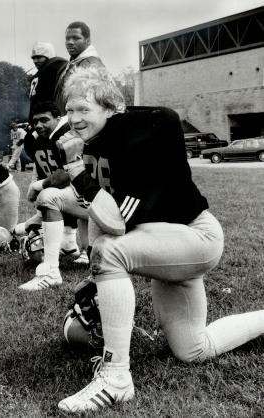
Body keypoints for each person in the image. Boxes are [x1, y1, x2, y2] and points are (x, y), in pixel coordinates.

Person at [56, 66, 264, 413]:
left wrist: (77, 169)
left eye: (83, 109)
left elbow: (116, 224)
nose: (74, 118)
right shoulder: (96, 139)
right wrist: (96, 284)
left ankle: (116, 377)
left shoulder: (137, 135)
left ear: (109, 108)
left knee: (110, 252)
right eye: (70, 109)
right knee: (193, 349)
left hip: (195, 237)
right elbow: (99, 211)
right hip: (164, 242)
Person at [16, 101, 89, 291]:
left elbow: (67, 175)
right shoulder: (37, 138)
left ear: (58, 118)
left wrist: (38, 186)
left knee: (47, 196)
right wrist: (35, 184)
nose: (38, 125)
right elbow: (41, 168)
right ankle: (72, 248)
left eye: (44, 120)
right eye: (35, 121)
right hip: (78, 197)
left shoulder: (68, 134)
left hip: (94, 197)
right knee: (39, 211)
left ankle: (53, 270)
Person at [55, 21, 104, 114]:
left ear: (88, 40)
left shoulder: (90, 65)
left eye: (76, 38)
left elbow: (85, 104)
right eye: (67, 38)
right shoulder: (74, 63)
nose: (70, 42)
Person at [29, 42, 67, 121]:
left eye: (39, 57)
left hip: (49, 118)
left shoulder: (53, 68)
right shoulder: (38, 75)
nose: (35, 61)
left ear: (49, 56)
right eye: (34, 58)